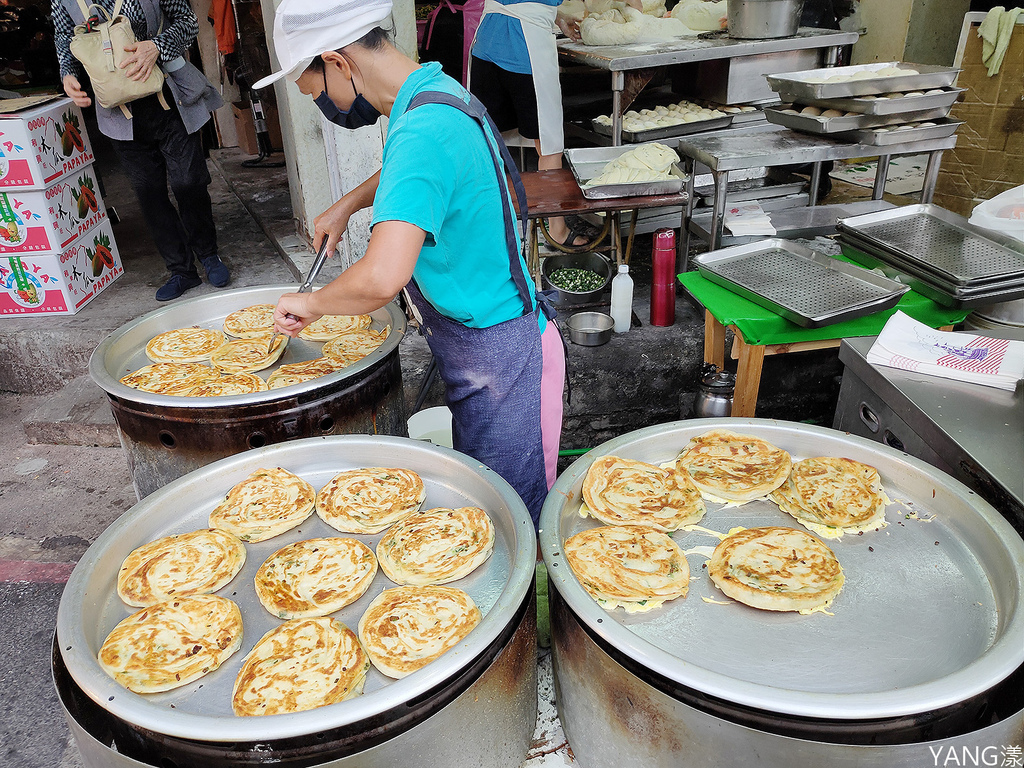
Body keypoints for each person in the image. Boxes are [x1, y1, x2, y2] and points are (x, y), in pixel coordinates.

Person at [254, 0, 565, 525]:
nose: (323, 107)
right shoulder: (436, 93)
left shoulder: (423, 131)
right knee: (488, 513)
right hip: (486, 348)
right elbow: (418, 168)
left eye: (316, 93)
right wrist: (351, 202)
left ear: (337, 61)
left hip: (505, 362)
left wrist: (312, 303)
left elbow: (381, 276)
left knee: (512, 529)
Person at [52, 0, 230, 301]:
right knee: (149, 192)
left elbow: (188, 21)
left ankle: (209, 254)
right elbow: (64, 36)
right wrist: (68, 74)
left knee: (189, 182)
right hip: (119, 110)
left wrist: (157, 46)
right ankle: (181, 270)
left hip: (171, 100)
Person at [469, 0, 639, 248]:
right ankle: (556, 231)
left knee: (485, 142)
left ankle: (485, 232)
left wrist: (556, 15)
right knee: (548, 146)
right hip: (524, 46)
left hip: (487, 40)